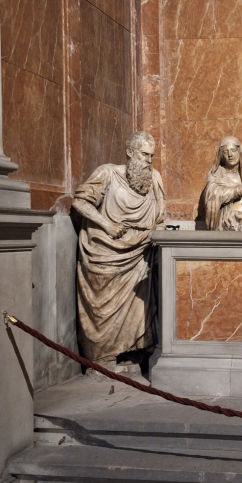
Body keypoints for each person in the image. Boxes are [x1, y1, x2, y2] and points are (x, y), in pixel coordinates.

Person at [71, 131, 166, 366]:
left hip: (140, 254)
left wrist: (155, 235)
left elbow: (161, 216)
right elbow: (80, 202)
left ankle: (133, 350)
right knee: (104, 309)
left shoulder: (155, 179)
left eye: (151, 156)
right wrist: (107, 224)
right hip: (106, 252)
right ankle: (101, 358)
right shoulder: (108, 173)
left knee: (138, 308)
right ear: (130, 153)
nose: (149, 161)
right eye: (144, 155)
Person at [203, 136, 242, 230]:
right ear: (221, 155)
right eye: (225, 151)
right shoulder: (216, 175)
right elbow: (212, 195)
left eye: (233, 150)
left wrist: (234, 187)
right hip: (225, 224)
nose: (230, 155)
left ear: (239, 152)